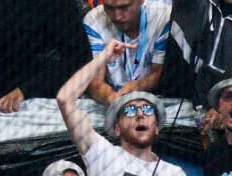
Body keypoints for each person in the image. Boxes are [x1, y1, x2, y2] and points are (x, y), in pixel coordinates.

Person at [56, 44, 186, 176]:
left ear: (157, 127)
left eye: (147, 109)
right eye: (130, 110)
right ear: (117, 128)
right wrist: (103, 57)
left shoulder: (173, 172)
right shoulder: (103, 154)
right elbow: (65, 99)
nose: (140, 114)